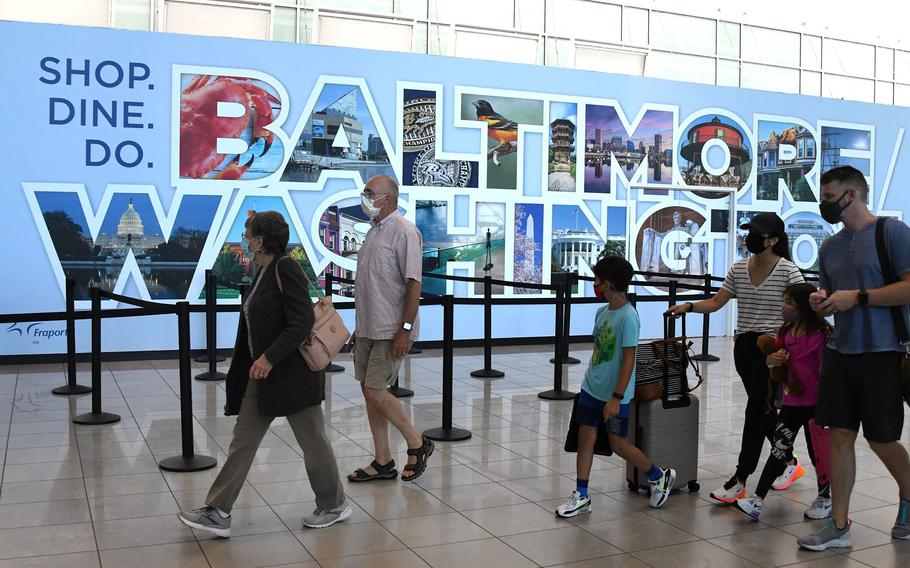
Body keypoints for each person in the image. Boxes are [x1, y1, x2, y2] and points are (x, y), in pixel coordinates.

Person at [178, 211, 350, 537]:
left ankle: (334, 504)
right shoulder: (263, 270)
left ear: (261, 239)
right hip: (263, 377)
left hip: (293, 376)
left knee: (313, 442)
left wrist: (269, 358)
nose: (244, 238)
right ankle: (218, 511)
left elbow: (299, 323)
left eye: (248, 233)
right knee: (242, 442)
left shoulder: (286, 268)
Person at [798, 165, 910, 551]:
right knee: (839, 436)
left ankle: (909, 496)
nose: (825, 205)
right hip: (840, 352)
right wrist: (822, 302)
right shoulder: (830, 247)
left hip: (884, 352)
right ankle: (839, 524)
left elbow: (909, 289)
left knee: (882, 439)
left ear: (852, 195)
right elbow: (832, 295)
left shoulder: (892, 233)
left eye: (829, 198)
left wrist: (858, 297)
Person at [667, 212, 805, 504]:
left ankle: (740, 479)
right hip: (743, 346)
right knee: (765, 412)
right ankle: (790, 462)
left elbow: (804, 309)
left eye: (757, 233)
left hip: (771, 348)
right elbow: (717, 302)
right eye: (749, 232)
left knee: (755, 412)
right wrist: (689, 306)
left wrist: (791, 348)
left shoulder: (788, 271)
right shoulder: (739, 268)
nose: (750, 238)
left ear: (774, 240)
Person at [556, 256, 676, 517]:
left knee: (618, 444)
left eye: (597, 280)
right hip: (591, 388)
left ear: (607, 284)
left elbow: (629, 361)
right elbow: (600, 352)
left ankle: (659, 475)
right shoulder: (602, 312)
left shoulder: (629, 317)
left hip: (615, 396)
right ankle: (582, 495)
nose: (595, 284)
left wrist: (616, 397)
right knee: (585, 438)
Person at [347, 175, 435, 483]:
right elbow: (371, 285)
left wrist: (406, 330)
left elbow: (414, 284)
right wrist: (359, 328)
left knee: (375, 389)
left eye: (370, 193)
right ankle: (383, 460)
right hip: (368, 328)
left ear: (389, 197)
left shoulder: (405, 232)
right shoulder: (373, 233)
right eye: (365, 192)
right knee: (369, 391)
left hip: (391, 329)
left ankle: (417, 442)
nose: (365, 197)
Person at [735, 283, 832, 521]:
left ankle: (826, 497)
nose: (784, 307)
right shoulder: (785, 333)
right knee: (778, 448)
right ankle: (757, 500)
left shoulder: (818, 337)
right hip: (790, 405)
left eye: (789, 302)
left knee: (817, 451)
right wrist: (773, 360)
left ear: (802, 308)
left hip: (814, 407)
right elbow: (777, 364)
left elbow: (825, 371)